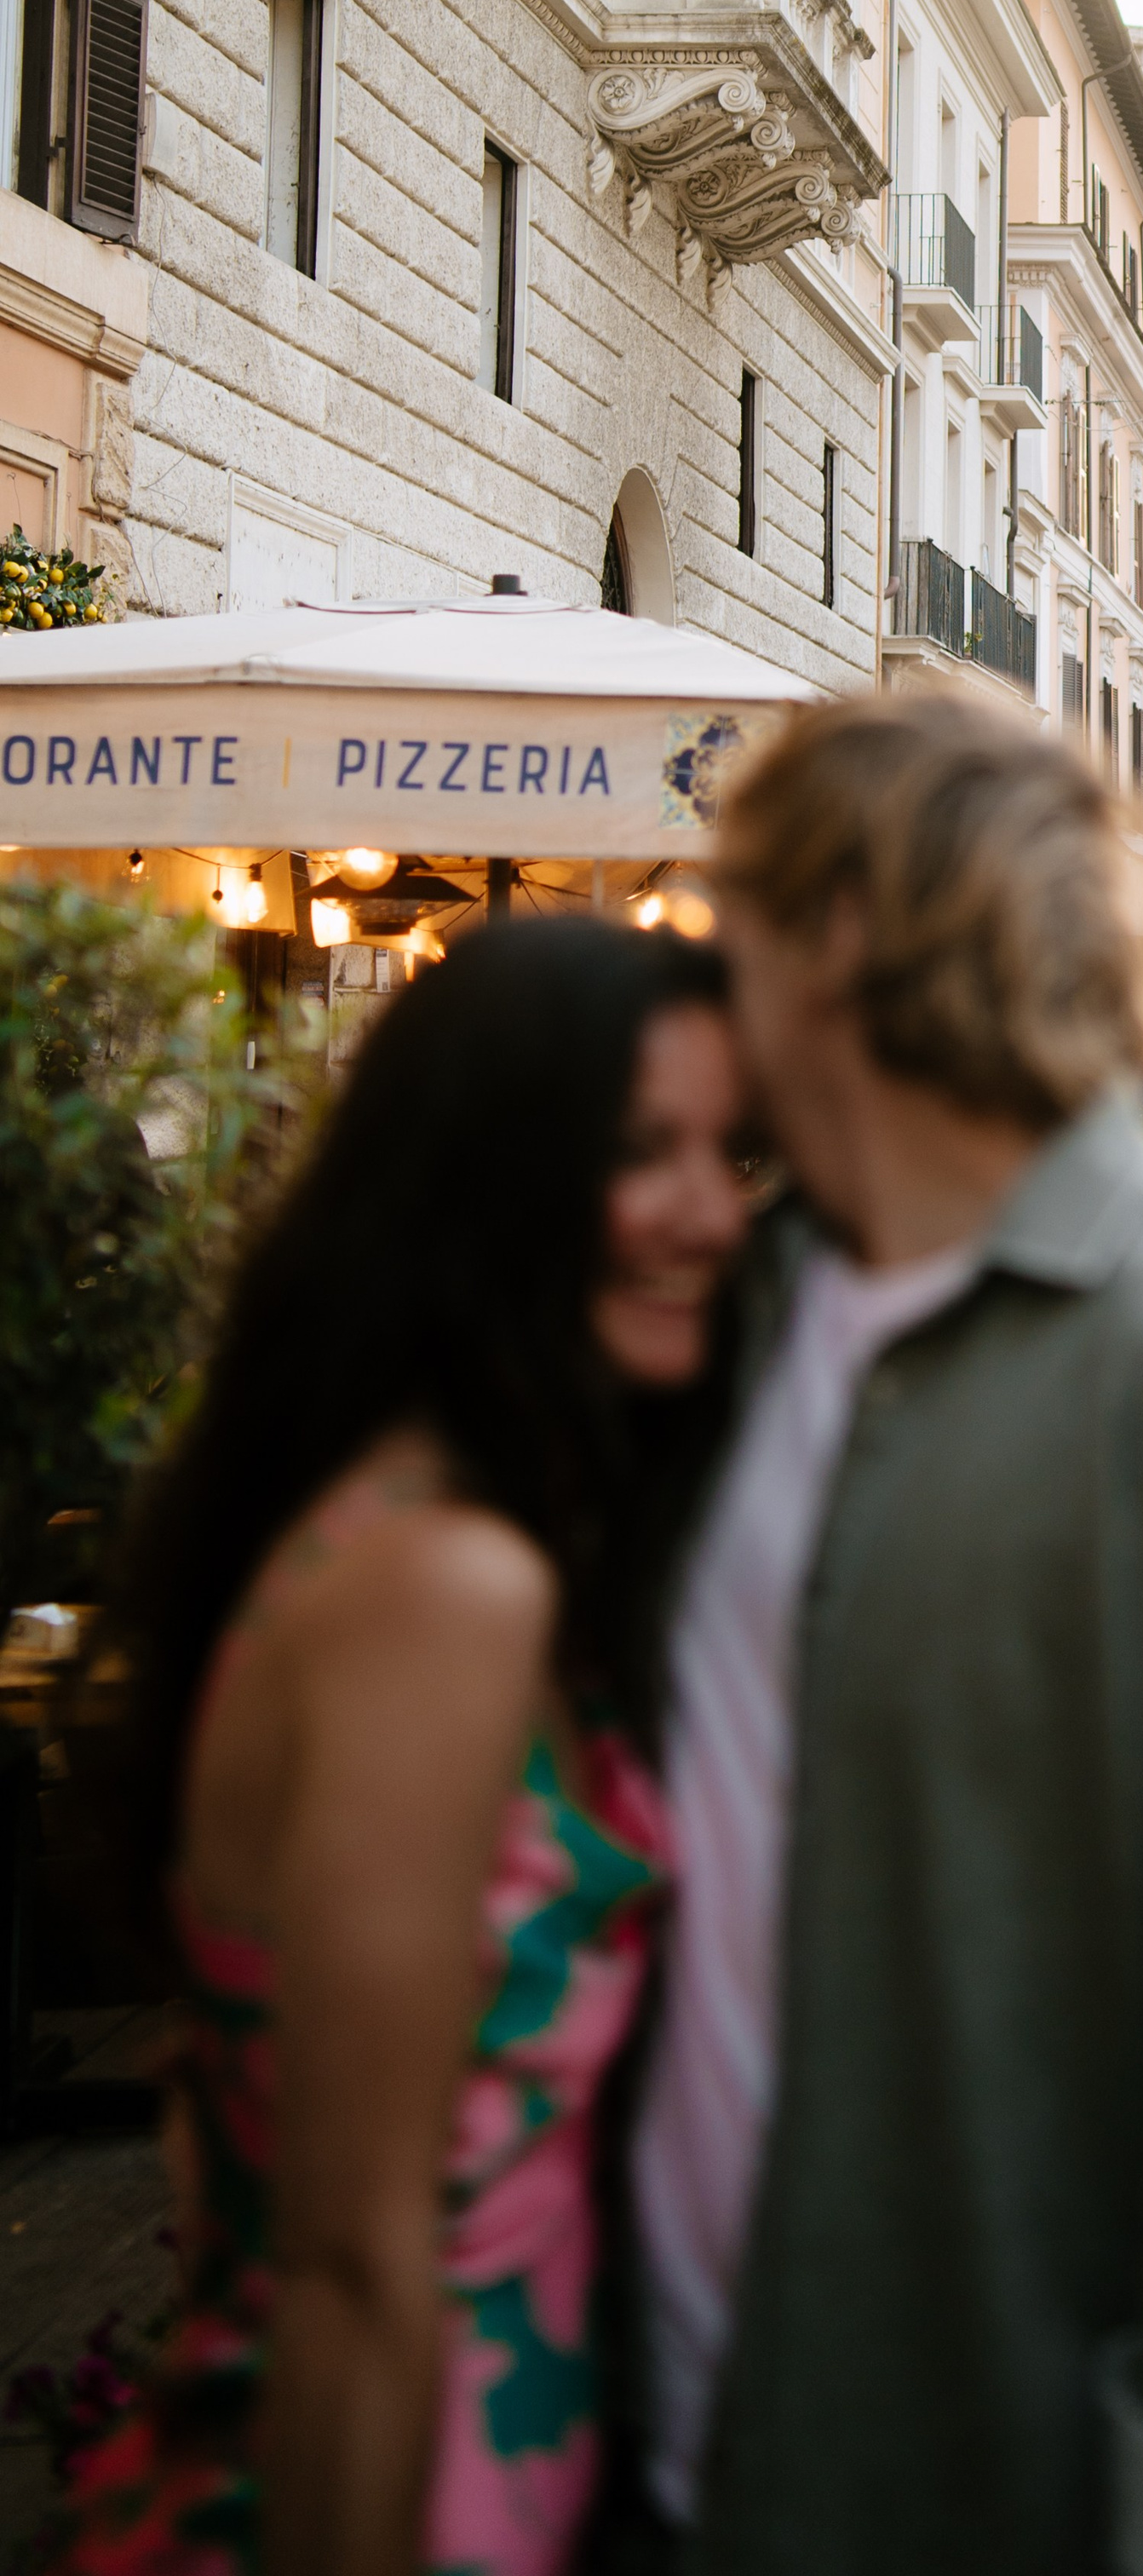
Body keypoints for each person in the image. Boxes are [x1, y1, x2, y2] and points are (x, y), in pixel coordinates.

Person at [623, 693, 1143, 2576]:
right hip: (662, 2439)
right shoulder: (749, 1303)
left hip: (968, 2465)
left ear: (850, 937)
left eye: (739, 918)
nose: (707, 971)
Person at [60, 922, 747, 2576]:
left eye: (734, 1154)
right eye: (636, 1152)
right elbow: (356, 2262)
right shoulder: (443, 1581)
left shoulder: (394, 1516)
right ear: (485, 1179)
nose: (710, 1213)